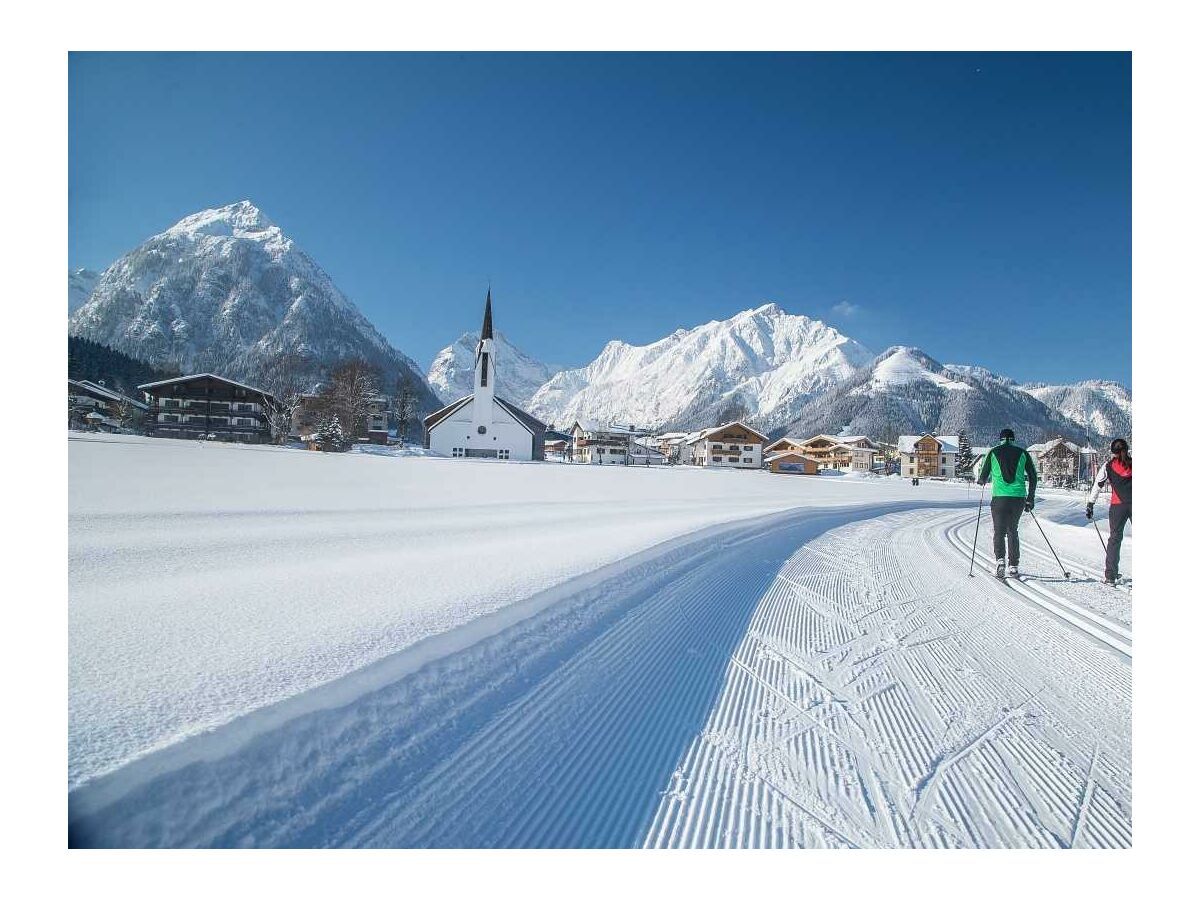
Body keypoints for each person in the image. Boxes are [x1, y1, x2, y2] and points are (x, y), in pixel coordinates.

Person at [976, 428, 1038, 578]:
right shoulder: (1023, 453)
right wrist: (1030, 498)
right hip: (1018, 498)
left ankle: (1000, 561)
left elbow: (982, 476)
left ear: (1000, 438)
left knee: (999, 531)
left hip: (1000, 498)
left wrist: (982, 480)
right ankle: (1014, 565)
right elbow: (1033, 476)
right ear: (1013, 439)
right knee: (1012, 530)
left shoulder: (992, 452)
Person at [1087, 438, 1132, 584]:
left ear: (1113, 452)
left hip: (1117, 506)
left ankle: (1110, 576)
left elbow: (1097, 485)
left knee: (1115, 539)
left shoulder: (1108, 466)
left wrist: (1090, 503)